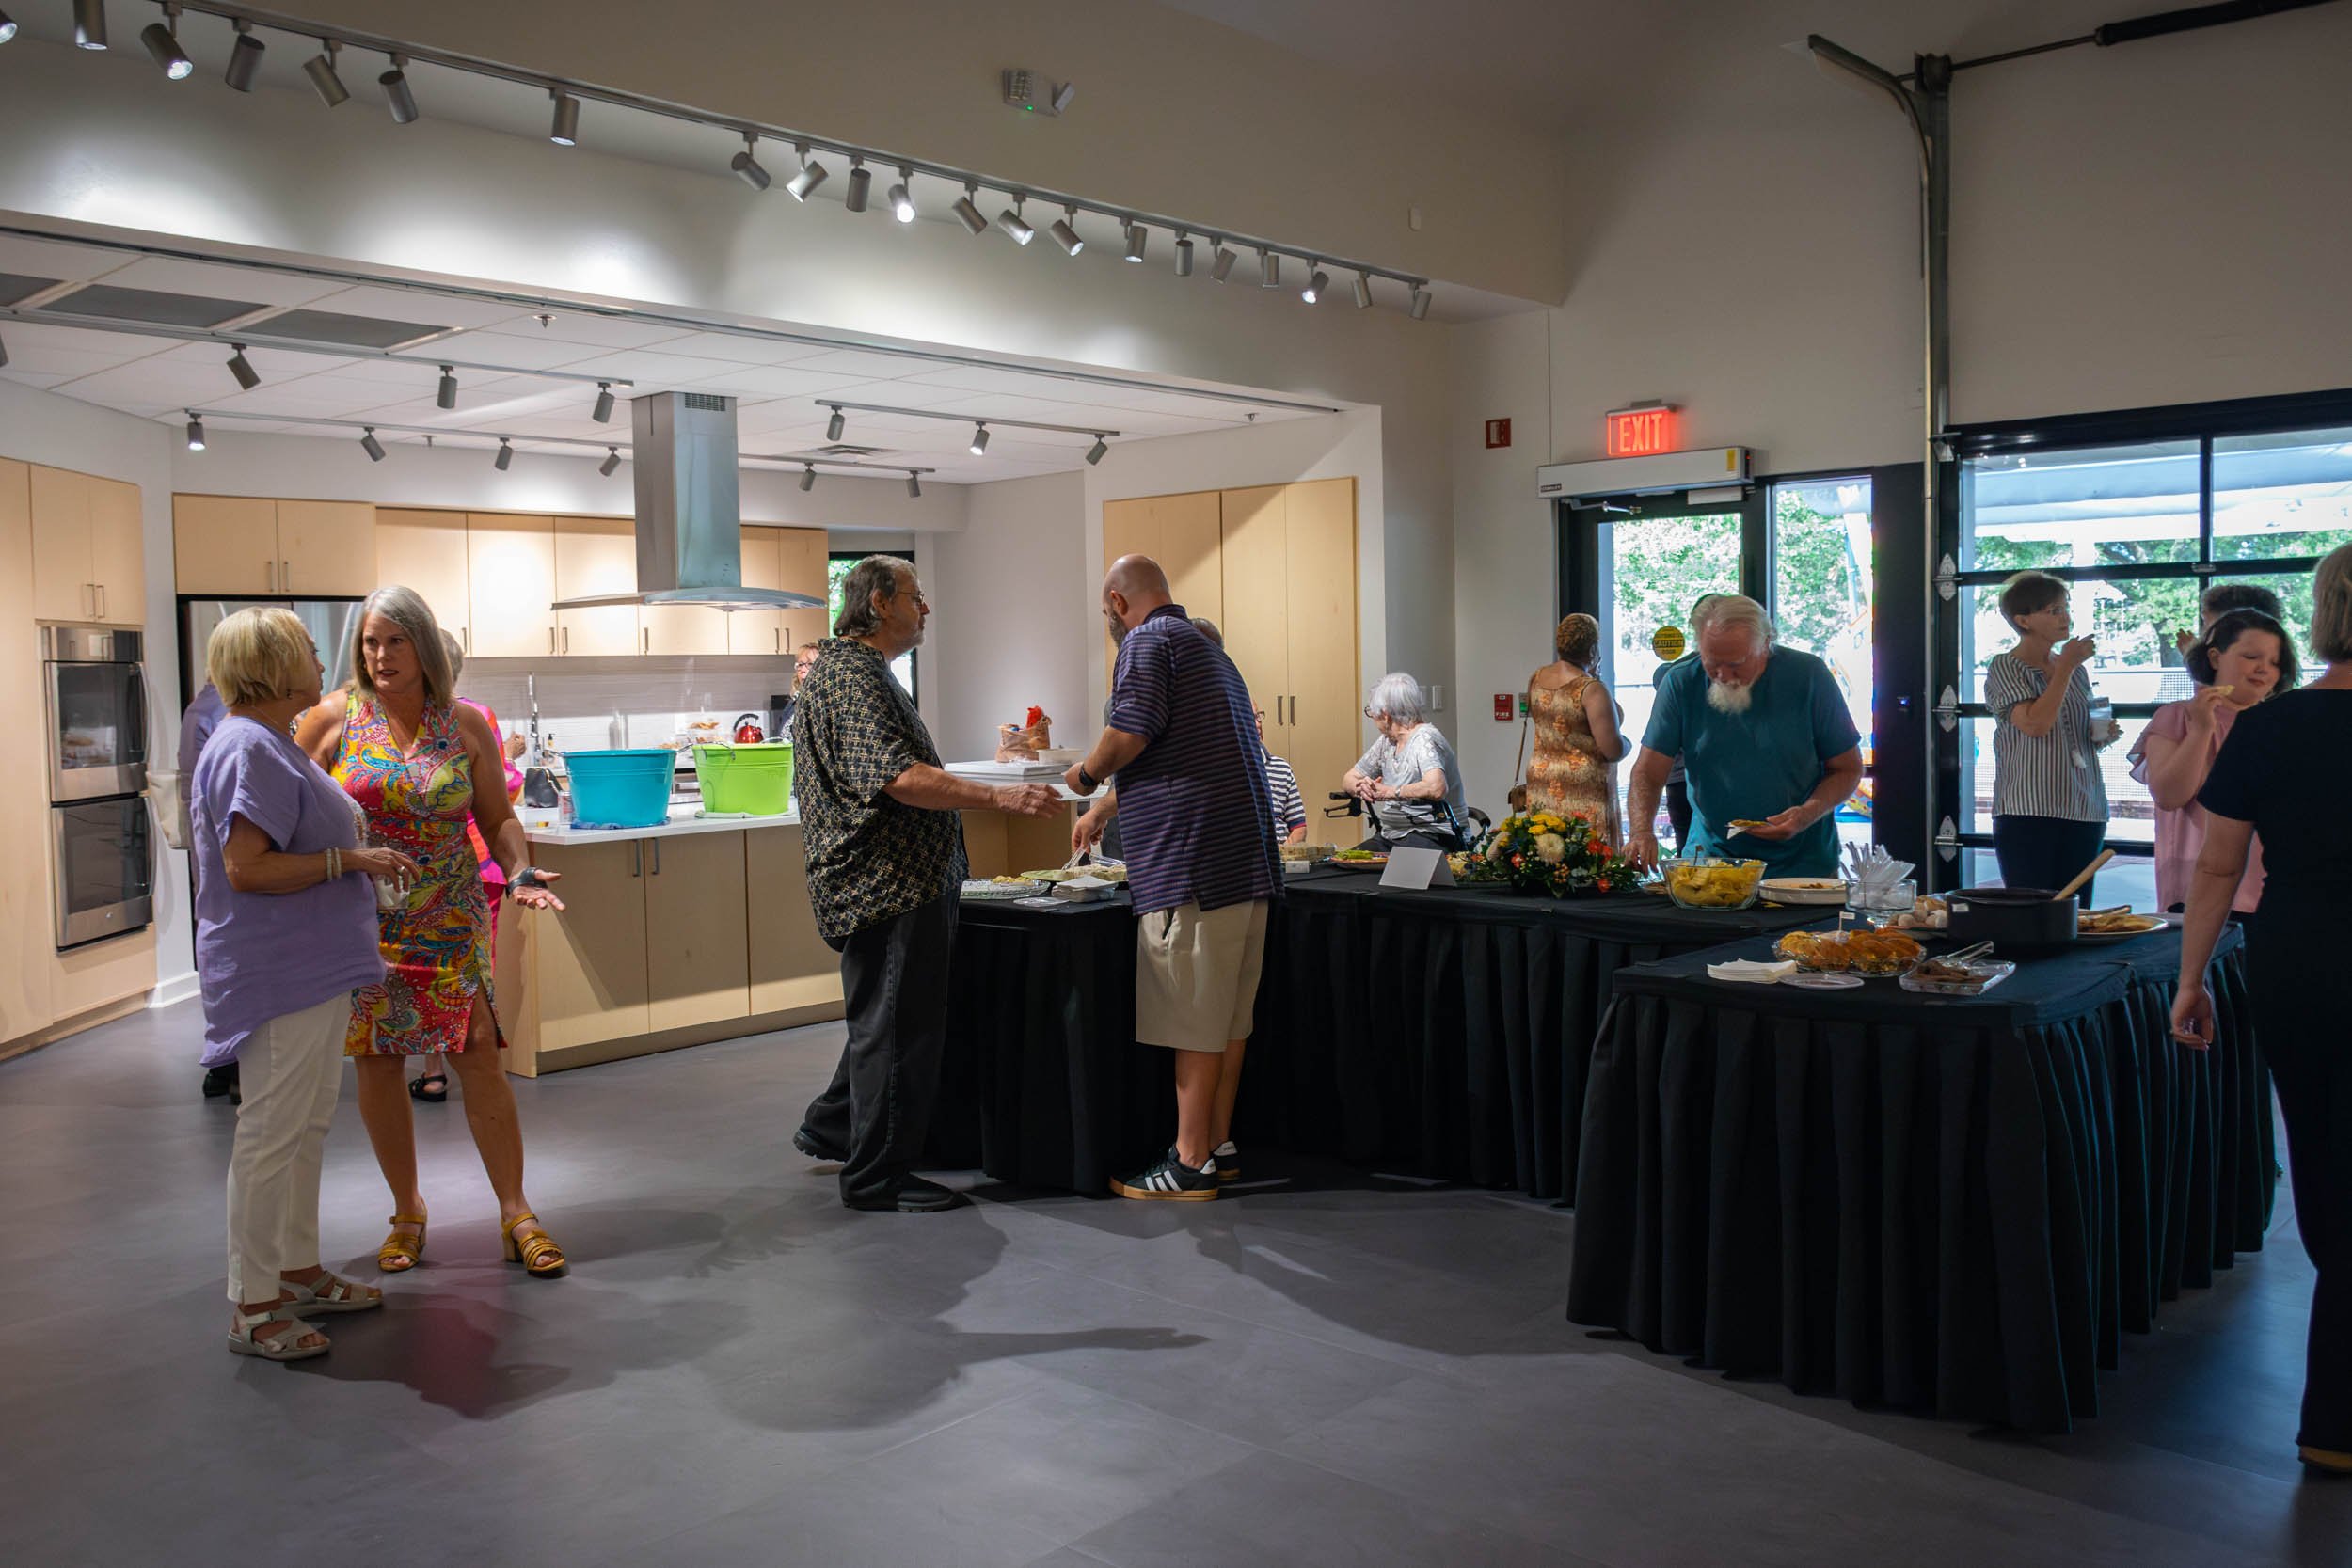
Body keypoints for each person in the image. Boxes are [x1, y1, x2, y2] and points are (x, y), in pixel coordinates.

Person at [296, 586, 572, 1279]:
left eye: (395, 640)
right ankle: (407, 1211)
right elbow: (287, 809)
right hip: (365, 918)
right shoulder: (333, 721)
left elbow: (498, 816)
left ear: (422, 644)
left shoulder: (464, 723)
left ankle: (515, 1211)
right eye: (369, 642)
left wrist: (518, 871)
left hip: (449, 912)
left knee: (477, 1048)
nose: (381, 655)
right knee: (379, 1057)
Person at [791, 557, 1058, 1212]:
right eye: (915, 596)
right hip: (886, 888)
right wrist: (1002, 799)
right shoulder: (852, 677)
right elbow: (900, 778)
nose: (925, 608)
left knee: (884, 1024)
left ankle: (834, 1126)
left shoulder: (860, 672)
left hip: (897, 884)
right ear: (880, 603)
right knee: (896, 1032)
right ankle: (876, 1177)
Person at [192, 609, 418, 1361]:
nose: (325, 660)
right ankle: (254, 1307)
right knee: (270, 1136)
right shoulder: (249, 749)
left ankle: (295, 1270)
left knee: (303, 1127)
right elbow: (247, 867)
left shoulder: (271, 743)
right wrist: (351, 863)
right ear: (275, 665)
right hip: (277, 975)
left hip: (309, 970)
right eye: (309, 652)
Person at [2171, 542, 2352, 1478]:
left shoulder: (2271, 727)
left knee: (2322, 1166)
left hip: (2299, 962)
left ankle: (2333, 1415)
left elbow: (2217, 865)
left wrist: (2189, 977)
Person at [1070, 555, 1278, 1200]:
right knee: (1227, 1021)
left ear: (1116, 600)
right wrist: (1110, 806)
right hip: (1244, 866)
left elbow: (1129, 732)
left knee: (1191, 1016)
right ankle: (1217, 1142)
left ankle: (1188, 1163)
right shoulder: (1206, 648)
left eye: (1107, 611)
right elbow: (1184, 746)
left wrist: (1082, 779)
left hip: (1190, 868)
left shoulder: (1146, 641)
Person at [1624, 594, 1861, 879]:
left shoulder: (1809, 676)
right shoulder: (1681, 682)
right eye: (1712, 663)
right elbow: (1649, 771)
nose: (1723, 675)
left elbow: (1847, 768)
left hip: (1802, 866)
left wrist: (1807, 813)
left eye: (1736, 664)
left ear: (1766, 643)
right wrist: (1641, 831)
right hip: (1711, 861)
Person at [407, 629, 526, 1104]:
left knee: (426, 970)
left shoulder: (389, 725)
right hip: (480, 865)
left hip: (420, 869)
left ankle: (433, 1069)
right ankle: (481, 1062)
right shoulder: (476, 716)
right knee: (477, 971)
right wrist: (511, 760)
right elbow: (503, 788)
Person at [1074, 622, 1307, 852]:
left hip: (1176, 838)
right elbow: (1139, 776)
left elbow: (1154, 778)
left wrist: (1091, 793)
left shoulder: (1211, 704)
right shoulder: (1139, 701)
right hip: (1138, 827)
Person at [2135, 609, 2296, 914]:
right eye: (2251, 656)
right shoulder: (2177, 716)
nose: (2264, 669)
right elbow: (2169, 796)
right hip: (2197, 884)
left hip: (2272, 884)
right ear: (2215, 658)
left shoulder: (2280, 724)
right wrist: (2201, 730)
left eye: (2275, 662)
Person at [1983, 571, 2120, 905]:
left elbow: (2077, 731)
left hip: (2084, 806)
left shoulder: (2075, 669)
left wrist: (2103, 733)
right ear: (2023, 620)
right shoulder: (2007, 666)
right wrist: (2065, 669)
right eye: (2053, 611)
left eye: (2065, 608)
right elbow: (2035, 724)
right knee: (2030, 909)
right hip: (2028, 808)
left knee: (2076, 913)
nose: (2065, 618)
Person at [182, 680, 239, 1104]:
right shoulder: (225, 716)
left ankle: (223, 1063)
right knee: (232, 946)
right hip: (229, 855)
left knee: (220, 940)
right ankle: (233, 1061)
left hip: (213, 852)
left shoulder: (203, 710)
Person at [1524, 611, 1626, 844]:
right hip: (1582, 790)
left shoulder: (1536, 678)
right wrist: (1627, 743)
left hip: (1542, 783)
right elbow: (1612, 750)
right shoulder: (1591, 689)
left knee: (1548, 852)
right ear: (1592, 650)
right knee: (1586, 860)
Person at [1343, 673, 1470, 850]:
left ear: (1385, 715)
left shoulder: (1424, 739)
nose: (1372, 717)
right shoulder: (1387, 741)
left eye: (1371, 712)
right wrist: (1360, 786)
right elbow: (1349, 778)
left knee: (1391, 873)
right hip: (1391, 835)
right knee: (1346, 865)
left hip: (1431, 834)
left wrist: (1389, 792)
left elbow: (1436, 787)